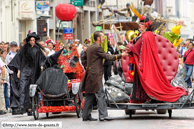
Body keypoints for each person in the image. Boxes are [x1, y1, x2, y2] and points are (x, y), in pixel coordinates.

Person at [124, 16, 187, 103]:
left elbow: (137, 47)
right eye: (139, 23)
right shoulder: (142, 35)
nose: (139, 25)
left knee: (144, 80)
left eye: (142, 24)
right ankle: (142, 98)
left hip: (144, 63)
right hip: (140, 62)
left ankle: (146, 97)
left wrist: (129, 50)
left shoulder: (147, 35)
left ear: (146, 25)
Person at [81, 31, 128, 121]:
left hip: (90, 74)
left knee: (90, 95)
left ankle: (86, 115)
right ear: (98, 38)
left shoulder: (90, 47)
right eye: (102, 37)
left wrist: (88, 67)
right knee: (101, 94)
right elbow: (108, 57)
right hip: (95, 76)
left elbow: (83, 58)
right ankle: (103, 115)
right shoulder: (97, 48)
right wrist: (121, 55)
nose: (104, 38)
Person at [8, 32, 46, 115]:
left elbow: (42, 59)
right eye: (31, 40)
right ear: (28, 40)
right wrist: (18, 71)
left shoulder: (37, 49)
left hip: (33, 71)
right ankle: (21, 107)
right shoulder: (24, 48)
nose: (32, 41)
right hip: (24, 70)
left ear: (35, 40)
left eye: (33, 40)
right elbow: (18, 59)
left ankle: (30, 108)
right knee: (22, 88)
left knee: (31, 89)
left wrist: (41, 66)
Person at [6, 41, 18, 112]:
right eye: (12, 46)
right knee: (12, 90)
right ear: (10, 47)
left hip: (17, 74)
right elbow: (11, 65)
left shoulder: (16, 54)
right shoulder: (9, 55)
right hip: (12, 74)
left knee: (17, 89)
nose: (13, 48)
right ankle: (12, 106)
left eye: (15, 46)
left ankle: (17, 104)